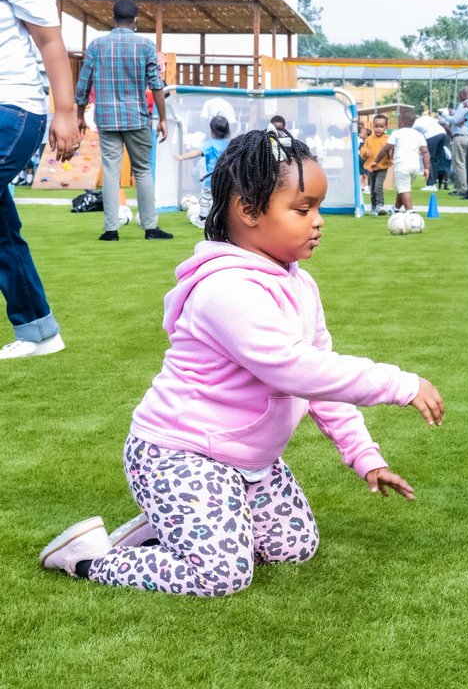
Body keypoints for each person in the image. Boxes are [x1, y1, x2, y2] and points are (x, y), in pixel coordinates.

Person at [38, 127, 445, 596]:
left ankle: (163, 528)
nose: (318, 221)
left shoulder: (300, 284)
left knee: (295, 547)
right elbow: (295, 369)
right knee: (221, 575)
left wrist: (365, 457)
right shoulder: (225, 291)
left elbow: (319, 382)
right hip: (179, 455)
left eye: (316, 207)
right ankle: (88, 557)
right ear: (248, 211)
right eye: (302, 208)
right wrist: (399, 384)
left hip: (251, 462)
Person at [0, 0, 82, 358]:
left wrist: (64, 111)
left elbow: (50, 41)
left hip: (11, 110)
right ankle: (39, 331)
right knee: (2, 233)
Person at [73, 0, 172, 241]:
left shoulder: (97, 45)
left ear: (113, 18)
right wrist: (163, 118)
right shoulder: (145, 45)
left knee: (110, 172)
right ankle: (150, 228)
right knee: (143, 171)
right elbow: (156, 84)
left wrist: (79, 116)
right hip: (137, 117)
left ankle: (111, 230)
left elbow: (83, 83)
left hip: (106, 118)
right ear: (135, 19)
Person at [175, 114, 230, 221]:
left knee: (205, 198)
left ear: (212, 132)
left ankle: (203, 218)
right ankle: (220, 219)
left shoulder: (210, 144)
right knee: (221, 199)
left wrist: (182, 157)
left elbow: (197, 152)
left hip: (211, 180)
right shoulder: (229, 144)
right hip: (225, 180)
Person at [375, 109, 430, 213]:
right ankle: (395, 209)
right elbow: (425, 152)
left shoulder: (397, 133)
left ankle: (410, 211)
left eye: (398, 120)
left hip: (402, 166)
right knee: (402, 187)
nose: (397, 123)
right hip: (415, 167)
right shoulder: (419, 135)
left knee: (404, 189)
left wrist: (376, 160)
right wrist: (427, 168)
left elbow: (386, 148)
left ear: (403, 122)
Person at [359, 114, 392, 215]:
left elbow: (390, 151)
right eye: (376, 126)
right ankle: (373, 207)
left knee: (378, 186)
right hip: (371, 168)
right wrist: (365, 152)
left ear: (386, 127)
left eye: (381, 127)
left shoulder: (387, 138)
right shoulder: (369, 139)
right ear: (373, 126)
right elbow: (363, 150)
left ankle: (380, 205)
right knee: (372, 187)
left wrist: (391, 155)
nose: (378, 129)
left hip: (382, 167)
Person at [442, 89, 468, 195]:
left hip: (460, 136)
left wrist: (444, 116)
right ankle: (459, 187)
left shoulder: (463, 104)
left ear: (463, 94)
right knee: (464, 163)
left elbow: (455, 120)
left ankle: (462, 188)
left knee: (459, 163)